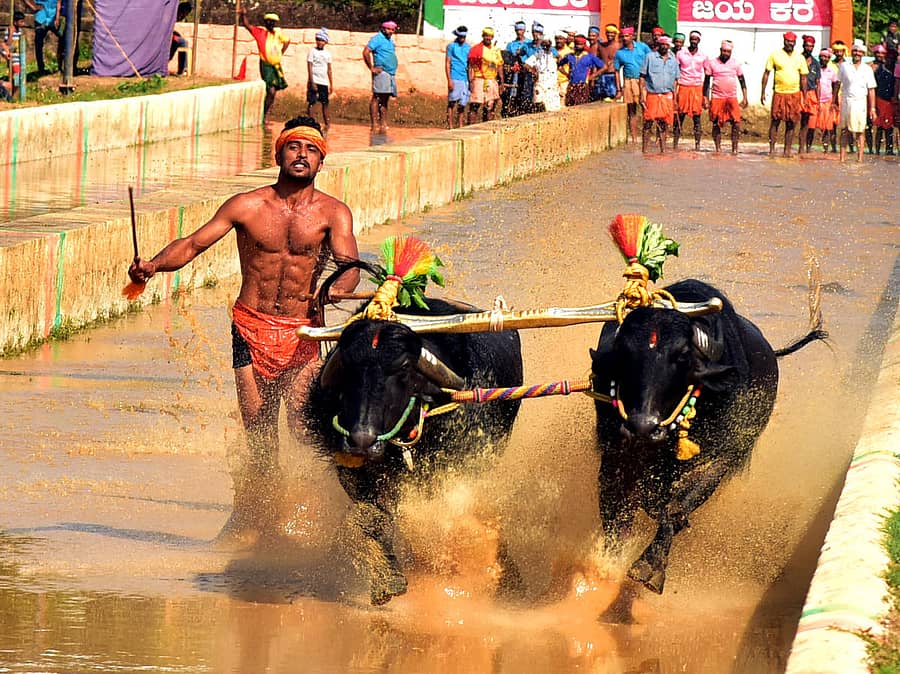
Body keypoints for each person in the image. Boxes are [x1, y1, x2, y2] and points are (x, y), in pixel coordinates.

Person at [127, 117, 360, 544]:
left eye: (310, 149)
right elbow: (193, 244)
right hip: (249, 327)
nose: (301, 155)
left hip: (304, 331)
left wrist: (336, 292)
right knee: (259, 429)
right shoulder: (246, 205)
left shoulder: (333, 213)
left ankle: (323, 507)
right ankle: (258, 512)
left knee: (303, 425)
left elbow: (349, 269)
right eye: (293, 147)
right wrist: (154, 266)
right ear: (279, 155)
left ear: (322, 160)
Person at [760, 31, 808, 157]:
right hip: (779, 93)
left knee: (791, 122)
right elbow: (766, 73)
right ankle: (771, 149)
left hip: (794, 94)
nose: (790, 44)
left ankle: (787, 151)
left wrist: (805, 96)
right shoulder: (775, 55)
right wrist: (763, 91)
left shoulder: (800, 57)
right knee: (775, 121)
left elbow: (803, 78)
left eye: (792, 42)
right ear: (784, 41)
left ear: (795, 43)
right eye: (788, 41)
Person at [239, 8, 290, 117]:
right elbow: (247, 25)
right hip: (266, 65)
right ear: (265, 23)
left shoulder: (278, 34)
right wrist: (244, 15)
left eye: (273, 22)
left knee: (274, 90)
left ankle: (268, 113)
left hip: (276, 65)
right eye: (269, 22)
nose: (271, 24)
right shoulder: (260, 32)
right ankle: (264, 115)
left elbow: (287, 41)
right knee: (270, 90)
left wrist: (281, 52)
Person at [703, 39, 748, 153]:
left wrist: (745, 97)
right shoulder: (712, 63)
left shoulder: (735, 63)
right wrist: (705, 98)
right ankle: (718, 149)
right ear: (720, 50)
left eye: (728, 51)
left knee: (736, 123)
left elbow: (742, 80)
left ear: (731, 52)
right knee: (716, 123)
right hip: (717, 97)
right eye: (724, 51)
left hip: (731, 97)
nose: (726, 53)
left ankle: (734, 149)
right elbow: (706, 82)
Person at [640, 34, 680, 153]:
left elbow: (676, 81)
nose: (664, 46)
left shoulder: (673, 60)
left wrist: (675, 99)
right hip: (652, 95)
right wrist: (642, 95)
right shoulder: (649, 57)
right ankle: (645, 150)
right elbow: (642, 77)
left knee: (665, 124)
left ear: (669, 46)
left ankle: (663, 150)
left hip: (667, 96)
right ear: (658, 45)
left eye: (666, 44)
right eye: (662, 44)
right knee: (648, 123)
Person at [837, 41, 876, 162]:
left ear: (863, 53)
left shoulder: (867, 69)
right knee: (844, 130)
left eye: (859, 51)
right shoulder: (844, 66)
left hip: (861, 103)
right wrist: (834, 101)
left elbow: (871, 89)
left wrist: (872, 108)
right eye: (855, 51)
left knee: (860, 131)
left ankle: (859, 159)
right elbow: (838, 84)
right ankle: (842, 159)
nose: (857, 53)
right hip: (846, 101)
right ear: (852, 52)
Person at [614, 26, 651, 144]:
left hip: (643, 81)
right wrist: (619, 89)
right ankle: (634, 139)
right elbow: (616, 71)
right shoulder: (620, 53)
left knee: (647, 109)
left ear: (632, 36)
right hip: (628, 81)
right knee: (632, 111)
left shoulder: (643, 47)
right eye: (623, 36)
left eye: (627, 36)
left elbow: (651, 60)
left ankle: (648, 138)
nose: (624, 38)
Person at [363, 21, 398, 134]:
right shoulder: (377, 38)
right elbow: (366, 52)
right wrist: (371, 67)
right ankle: (374, 124)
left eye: (393, 30)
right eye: (389, 29)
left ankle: (383, 123)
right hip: (381, 72)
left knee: (385, 98)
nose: (391, 31)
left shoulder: (390, 41)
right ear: (383, 29)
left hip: (390, 73)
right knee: (377, 97)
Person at [673, 30, 706, 151]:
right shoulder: (681, 53)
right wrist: (674, 90)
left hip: (697, 88)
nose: (693, 41)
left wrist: (706, 95)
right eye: (692, 38)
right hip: (683, 86)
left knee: (697, 117)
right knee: (679, 116)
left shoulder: (703, 56)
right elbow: (676, 72)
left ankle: (697, 145)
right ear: (689, 40)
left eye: (696, 39)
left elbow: (707, 74)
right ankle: (675, 144)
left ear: (699, 41)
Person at [467, 27, 504, 124]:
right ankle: (470, 129)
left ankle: (486, 128)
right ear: (483, 36)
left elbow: (499, 66)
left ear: (492, 37)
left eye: (490, 36)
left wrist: (501, 83)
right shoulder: (476, 49)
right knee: (475, 106)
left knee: (490, 107)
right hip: (479, 79)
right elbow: (471, 66)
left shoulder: (496, 50)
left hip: (492, 80)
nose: (488, 38)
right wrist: (471, 82)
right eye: (486, 36)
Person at [558, 34, 603, 106]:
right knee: (570, 107)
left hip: (583, 86)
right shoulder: (569, 56)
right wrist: (567, 74)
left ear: (584, 45)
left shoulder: (589, 57)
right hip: (571, 86)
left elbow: (604, 67)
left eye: (580, 44)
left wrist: (593, 75)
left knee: (582, 107)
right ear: (574, 44)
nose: (578, 46)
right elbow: (559, 65)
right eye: (577, 44)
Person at [811, 48, 840, 153]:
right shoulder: (814, 69)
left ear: (829, 59)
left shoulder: (831, 71)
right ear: (819, 57)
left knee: (828, 128)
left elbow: (836, 84)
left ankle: (828, 150)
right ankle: (807, 149)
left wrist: (834, 101)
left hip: (828, 102)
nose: (824, 59)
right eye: (822, 56)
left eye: (827, 57)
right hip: (815, 101)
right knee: (812, 127)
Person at [24, 0, 62, 75]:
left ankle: (61, 66)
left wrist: (57, 18)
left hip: (53, 18)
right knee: (38, 44)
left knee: (64, 39)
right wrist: (33, 7)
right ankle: (41, 69)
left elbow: (58, 3)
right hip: (41, 18)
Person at [797, 35, 821, 154]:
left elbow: (818, 82)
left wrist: (819, 100)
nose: (809, 48)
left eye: (811, 46)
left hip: (811, 94)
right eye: (807, 46)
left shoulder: (816, 63)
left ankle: (803, 148)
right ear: (803, 46)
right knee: (794, 120)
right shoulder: (797, 59)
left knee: (806, 122)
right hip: (797, 92)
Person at [307, 28, 333, 130]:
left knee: (325, 103)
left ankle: (327, 124)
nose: (320, 42)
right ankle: (311, 123)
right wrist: (312, 81)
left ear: (326, 42)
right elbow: (309, 66)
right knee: (312, 102)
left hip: (324, 82)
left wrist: (331, 84)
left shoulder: (327, 54)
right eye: (318, 40)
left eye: (322, 40)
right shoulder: (312, 51)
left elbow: (329, 69)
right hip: (314, 81)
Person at [524, 37, 560, 112]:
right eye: (544, 43)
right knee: (539, 105)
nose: (546, 45)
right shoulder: (538, 54)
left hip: (552, 85)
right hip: (540, 83)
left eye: (548, 43)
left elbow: (561, 63)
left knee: (553, 107)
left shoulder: (554, 54)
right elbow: (526, 65)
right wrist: (533, 72)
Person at [870, 44, 895, 155]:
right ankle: (877, 151)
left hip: (891, 101)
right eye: (888, 58)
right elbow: (874, 86)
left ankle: (889, 151)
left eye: (892, 58)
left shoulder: (896, 70)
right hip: (880, 100)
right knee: (879, 127)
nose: (890, 60)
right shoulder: (879, 70)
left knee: (889, 128)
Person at [445, 26, 470, 128]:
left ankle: (460, 125)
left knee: (462, 104)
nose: (462, 38)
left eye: (464, 36)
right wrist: (449, 80)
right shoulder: (451, 46)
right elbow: (447, 63)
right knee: (451, 103)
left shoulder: (468, 47)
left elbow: (470, 64)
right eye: (460, 36)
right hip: (454, 77)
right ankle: (450, 126)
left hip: (465, 79)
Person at [595, 25, 620, 102]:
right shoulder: (601, 46)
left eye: (612, 33)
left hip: (613, 75)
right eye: (608, 33)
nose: (610, 34)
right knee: (602, 99)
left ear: (615, 34)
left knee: (613, 98)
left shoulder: (619, 46)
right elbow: (596, 60)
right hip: (602, 75)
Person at [170, 2, 192, 77]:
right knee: (183, 43)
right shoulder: (172, 15)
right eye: (185, 13)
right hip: (164, 36)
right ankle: (183, 70)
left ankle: (182, 69)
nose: (185, 16)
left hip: (169, 36)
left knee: (180, 40)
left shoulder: (177, 16)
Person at [555, 30, 573, 101]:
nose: (558, 41)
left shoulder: (569, 52)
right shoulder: (551, 51)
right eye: (557, 38)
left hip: (564, 82)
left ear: (565, 40)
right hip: (552, 83)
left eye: (561, 39)